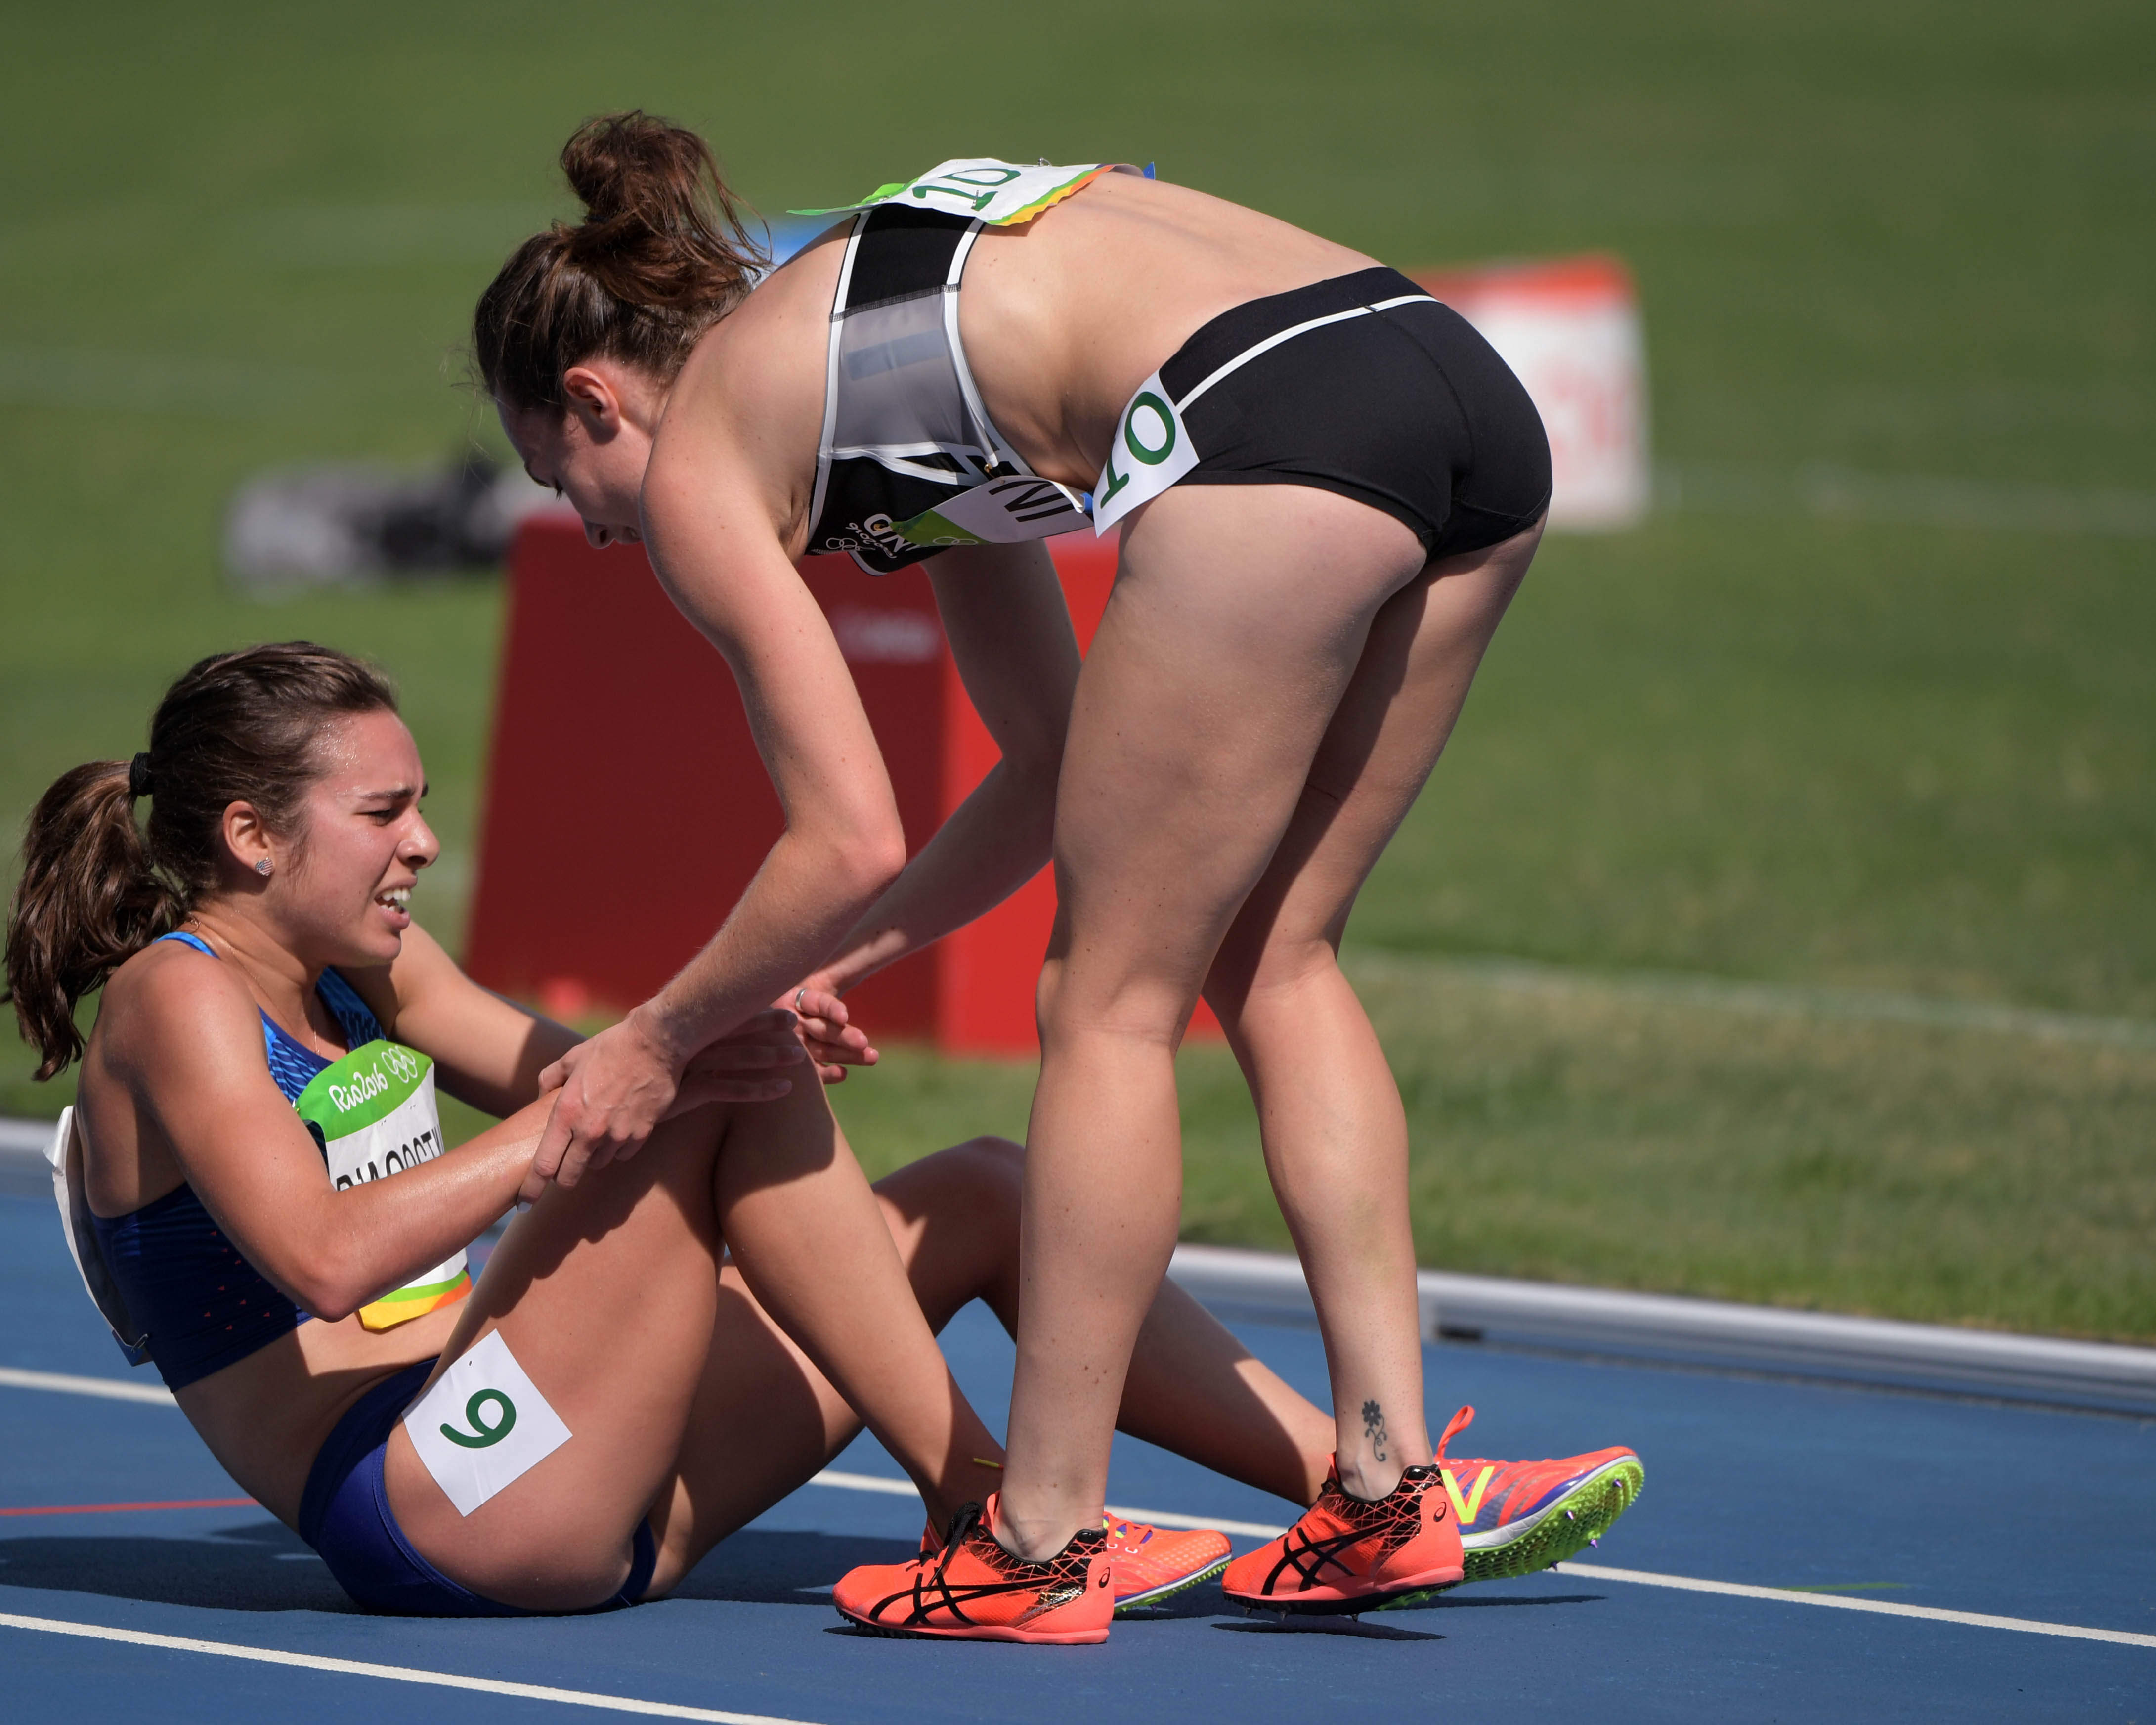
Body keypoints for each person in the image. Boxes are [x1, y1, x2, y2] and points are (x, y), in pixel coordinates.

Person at [474, 116, 1571, 1638]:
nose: (592, 530)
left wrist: (651, 1037)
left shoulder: (705, 457)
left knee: (1104, 1000)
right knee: (1274, 954)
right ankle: (1385, 1489)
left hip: (1269, 415)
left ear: (594, 397)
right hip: (1451, 379)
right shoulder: (871, 370)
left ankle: (1042, 1538)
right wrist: (835, 967)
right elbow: (1055, 763)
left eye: (562, 477)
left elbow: (839, 832)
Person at [2, 642, 1636, 1631]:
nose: (427, 840)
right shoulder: (178, 1000)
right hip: (428, 1501)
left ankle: (1377, 1492)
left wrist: (713, 1039)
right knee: (698, 1070)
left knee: (992, 1192)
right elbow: (327, 1252)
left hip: (562, 1453)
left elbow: (585, 1072)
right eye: (385, 814)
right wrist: (660, 1069)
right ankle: (998, 1522)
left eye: (419, 800)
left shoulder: (373, 958)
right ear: (246, 833)